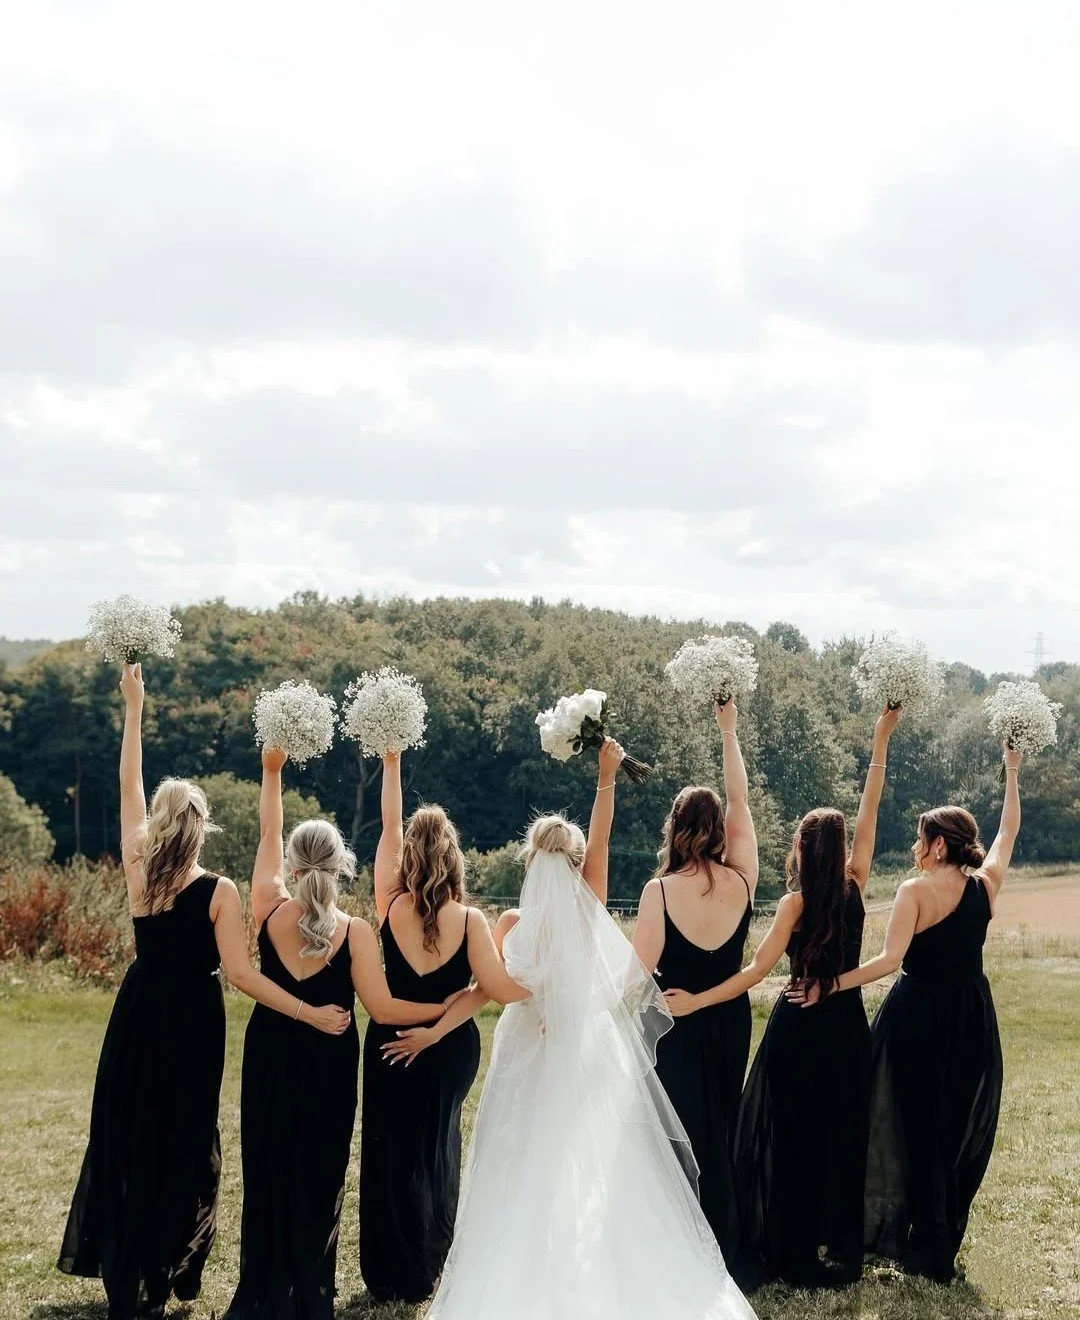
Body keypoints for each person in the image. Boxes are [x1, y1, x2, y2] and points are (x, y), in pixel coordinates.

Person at [425, 739, 758, 1320]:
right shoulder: (591, 903)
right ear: (576, 863)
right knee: (596, 1151)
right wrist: (606, 778)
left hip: (527, 1044)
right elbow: (600, 842)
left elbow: (491, 988)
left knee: (517, 1150)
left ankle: (522, 1250)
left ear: (530, 860)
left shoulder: (508, 920)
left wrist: (515, 1000)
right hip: (585, 1043)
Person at [58, 664, 348, 1320]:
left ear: (160, 823)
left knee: (134, 1132)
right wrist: (309, 1011)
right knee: (187, 1140)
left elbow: (128, 783)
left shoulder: (140, 868)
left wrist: (134, 708)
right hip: (192, 1018)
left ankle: (136, 1273)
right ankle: (170, 1269)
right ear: (205, 824)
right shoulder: (219, 890)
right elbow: (243, 977)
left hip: (136, 1010)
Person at [664, 705, 901, 1286]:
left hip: (797, 1027)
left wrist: (696, 1001)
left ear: (800, 845)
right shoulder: (857, 881)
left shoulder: (795, 903)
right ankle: (833, 1245)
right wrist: (879, 740)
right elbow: (869, 812)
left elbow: (753, 973)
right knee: (838, 1133)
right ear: (840, 847)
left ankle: (790, 1249)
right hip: (846, 1027)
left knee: (792, 1137)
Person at [225, 747, 459, 1320]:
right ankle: (310, 1295)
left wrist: (273, 771)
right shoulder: (355, 931)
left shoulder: (266, 905)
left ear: (293, 864)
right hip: (330, 1060)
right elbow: (380, 1007)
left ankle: (260, 1289)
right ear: (340, 864)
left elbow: (267, 833)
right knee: (321, 1171)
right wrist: (443, 1005)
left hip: (270, 1053)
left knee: (266, 1165)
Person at [790, 742, 1022, 1282]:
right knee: (952, 1121)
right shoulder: (985, 885)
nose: (917, 848)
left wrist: (831, 985)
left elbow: (890, 961)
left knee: (910, 1122)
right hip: (971, 1014)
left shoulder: (914, 890)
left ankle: (915, 1234)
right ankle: (936, 1238)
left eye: (922, 839)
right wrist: (1011, 771)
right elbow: (1007, 831)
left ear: (939, 845)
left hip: (918, 1016)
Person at [359, 750, 527, 1306]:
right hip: (452, 1047)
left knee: (389, 1149)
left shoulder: (389, 905)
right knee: (437, 1146)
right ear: (454, 856)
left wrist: (391, 763)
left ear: (409, 855)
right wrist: (546, 985)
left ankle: (386, 1270)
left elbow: (387, 825)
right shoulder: (472, 920)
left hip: (388, 1044)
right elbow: (498, 991)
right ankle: (430, 1260)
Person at [631, 700, 758, 1281]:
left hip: (677, 1023)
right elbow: (742, 803)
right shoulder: (742, 879)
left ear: (675, 829)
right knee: (721, 1121)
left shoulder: (658, 891)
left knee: (679, 1130)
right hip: (730, 1018)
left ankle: (683, 1245)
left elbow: (637, 973)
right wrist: (728, 731)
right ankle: (727, 1241)